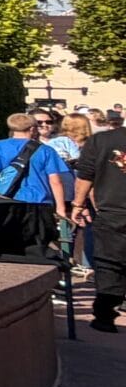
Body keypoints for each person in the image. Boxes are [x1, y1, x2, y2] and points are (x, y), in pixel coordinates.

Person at [73, 111, 126, 332]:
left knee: (109, 263)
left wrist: (78, 203)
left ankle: (105, 315)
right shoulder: (102, 140)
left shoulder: (102, 140)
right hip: (112, 210)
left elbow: (86, 175)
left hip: (112, 210)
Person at [0, 110, 74, 210]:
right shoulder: (46, 150)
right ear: (32, 129)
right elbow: (55, 181)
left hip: (4, 199)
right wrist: (60, 208)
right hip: (38, 201)